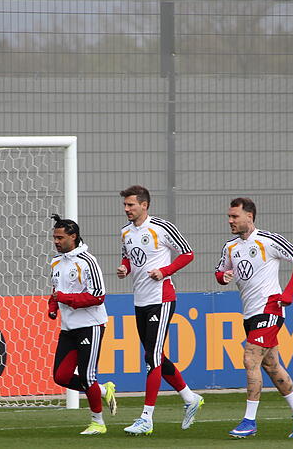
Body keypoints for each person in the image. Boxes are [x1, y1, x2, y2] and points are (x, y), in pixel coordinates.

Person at [214, 197, 293, 439]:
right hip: (249, 313)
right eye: (229, 216)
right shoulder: (230, 246)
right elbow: (220, 271)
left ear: (249, 216)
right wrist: (223, 276)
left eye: (234, 216)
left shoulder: (269, 240)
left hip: (270, 309)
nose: (230, 221)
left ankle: (249, 420)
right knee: (271, 365)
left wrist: (288, 292)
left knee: (250, 359)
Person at [116, 185, 203, 436]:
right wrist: (124, 269)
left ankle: (146, 418)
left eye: (131, 205)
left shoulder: (162, 227)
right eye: (125, 205)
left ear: (144, 205)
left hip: (162, 299)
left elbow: (188, 254)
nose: (127, 209)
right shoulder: (125, 232)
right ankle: (190, 398)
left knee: (152, 357)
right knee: (154, 356)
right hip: (140, 300)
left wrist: (164, 272)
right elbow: (127, 259)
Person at [47, 214, 117, 435]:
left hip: (90, 325)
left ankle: (98, 422)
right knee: (61, 376)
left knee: (87, 376)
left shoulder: (88, 261)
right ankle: (103, 390)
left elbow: (98, 296)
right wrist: (53, 306)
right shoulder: (56, 262)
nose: (56, 242)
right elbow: (55, 292)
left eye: (60, 237)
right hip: (68, 327)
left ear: (73, 237)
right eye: (54, 238)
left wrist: (65, 299)